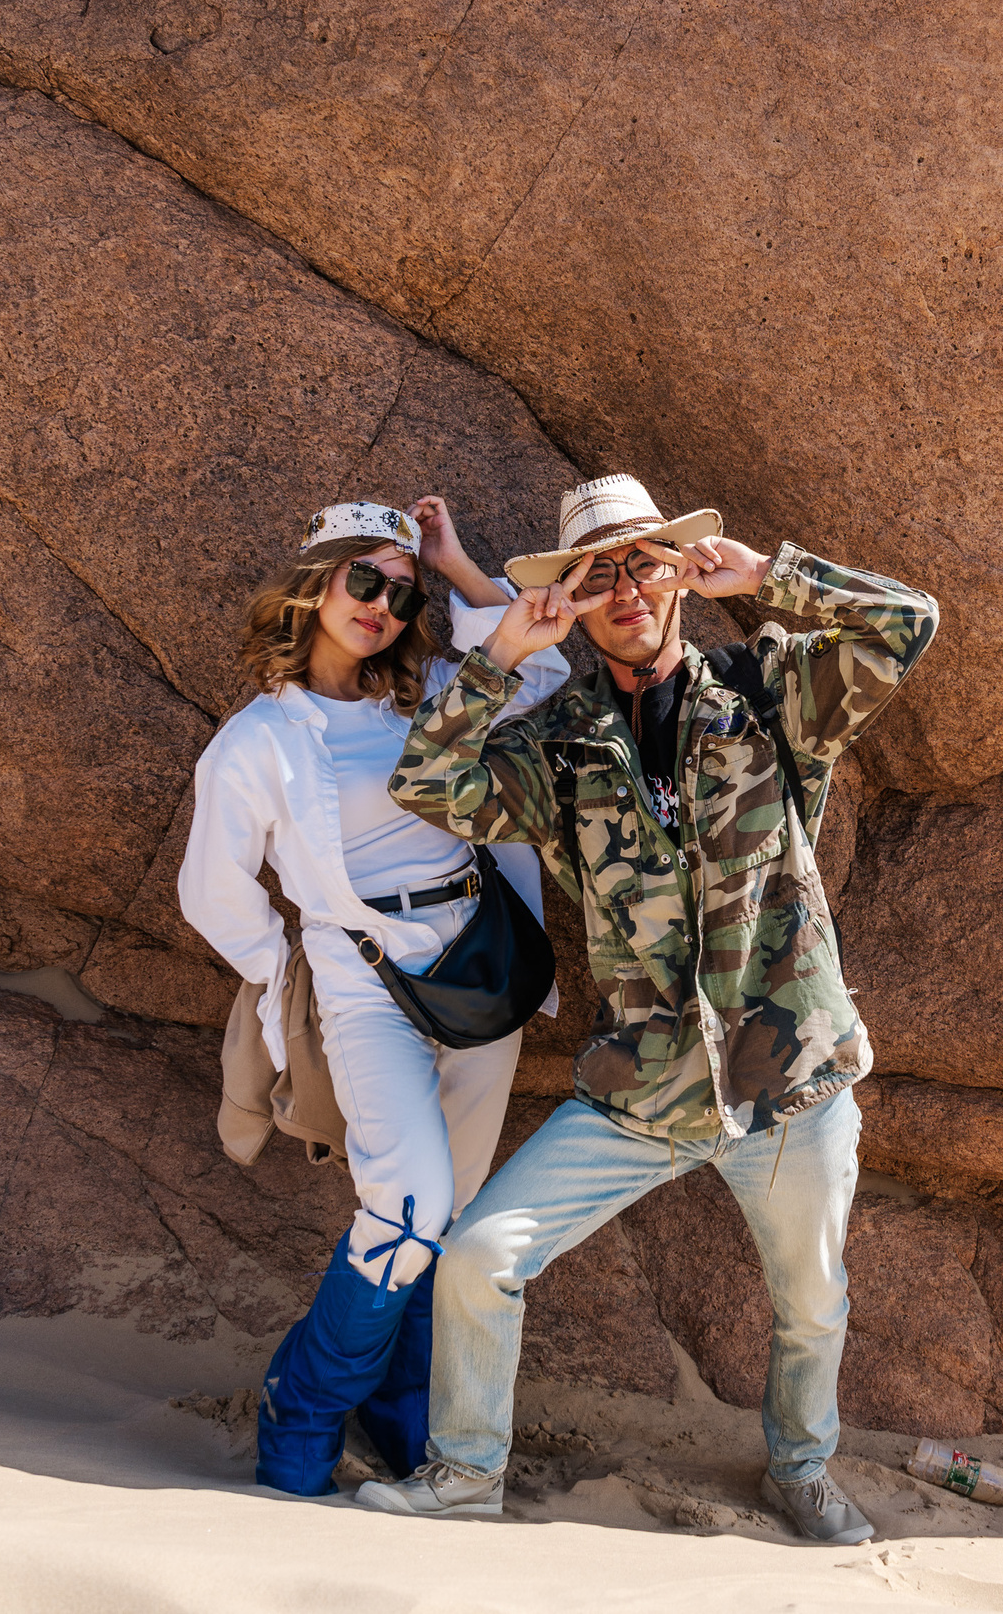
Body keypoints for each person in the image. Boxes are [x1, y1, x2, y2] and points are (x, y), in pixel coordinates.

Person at [356, 473, 938, 1541]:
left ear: (678, 572)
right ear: (574, 596)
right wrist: (499, 660)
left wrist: (771, 577)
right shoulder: (559, 745)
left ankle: (801, 1469)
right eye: (598, 573)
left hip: (791, 1079)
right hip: (642, 1090)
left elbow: (910, 624)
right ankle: (465, 1475)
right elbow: (430, 787)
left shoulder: (767, 689)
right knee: (481, 1256)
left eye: (644, 561)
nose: (626, 587)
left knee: (811, 1304)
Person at [176, 495, 569, 1497]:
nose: (383, 606)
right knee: (405, 1206)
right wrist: (288, 977)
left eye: (402, 591)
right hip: (361, 976)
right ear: (315, 584)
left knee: (459, 1211)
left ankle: (401, 1416)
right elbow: (214, 896)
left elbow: (551, 678)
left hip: (477, 955)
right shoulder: (257, 741)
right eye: (365, 580)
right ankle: (301, 1406)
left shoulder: (432, 685)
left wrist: (463, 567)